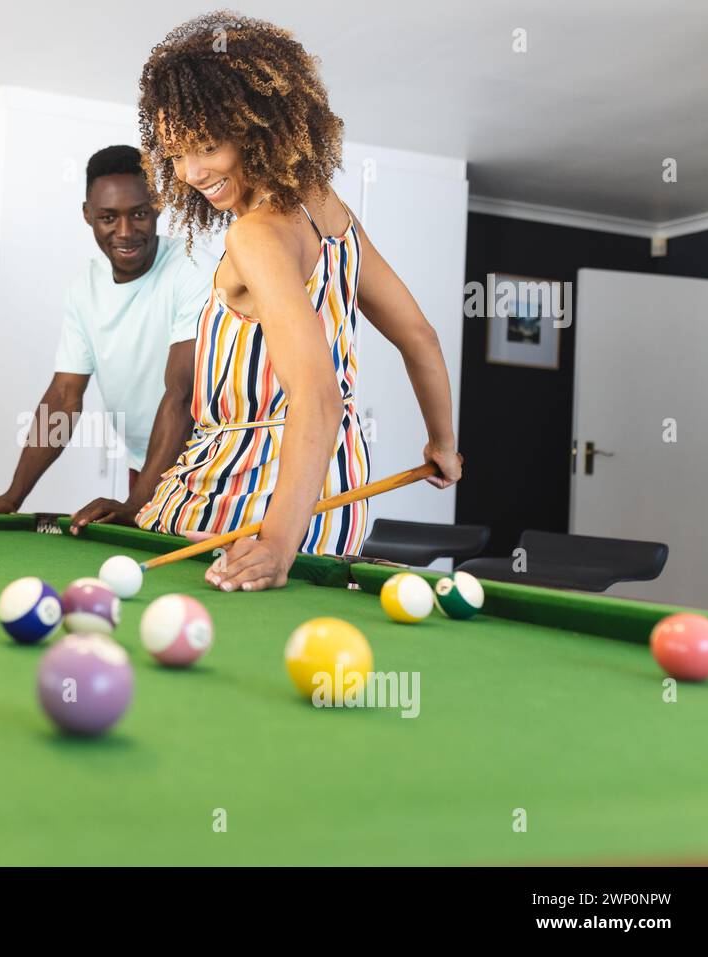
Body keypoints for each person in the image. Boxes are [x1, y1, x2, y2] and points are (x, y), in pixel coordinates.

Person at [134, 12, 461, 592]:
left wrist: (277, 547)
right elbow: (421, 336)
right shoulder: (330, 212)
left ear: (256, 128)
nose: (190, 173)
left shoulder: (255, 234)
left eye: (207, 146)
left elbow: (317, 396)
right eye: (175, 153)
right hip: (334, 503)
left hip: (243, 503)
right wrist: (443, 443)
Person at [0, 145, 213, 531]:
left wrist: (137, 504)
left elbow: (182, 393)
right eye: (108, 218)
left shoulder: (192, 268)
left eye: (139, 214)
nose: (126, 232)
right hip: (144, 467)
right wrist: (13, 497)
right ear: (87, 215)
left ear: (159, 205)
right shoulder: (85, 287)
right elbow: (64, 397)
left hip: (208, 468)